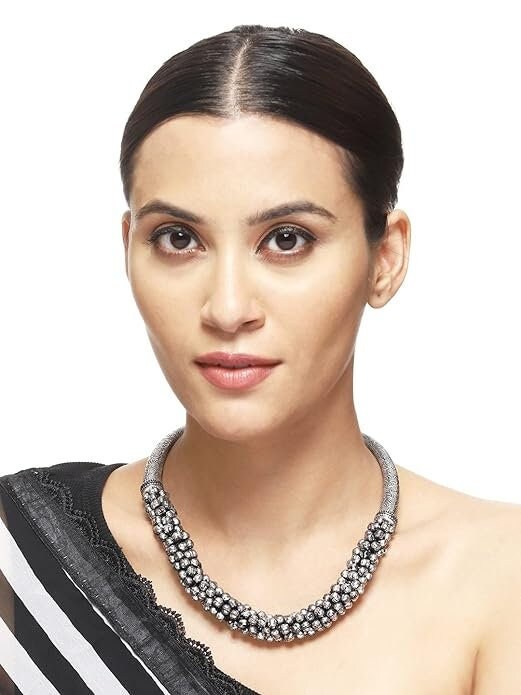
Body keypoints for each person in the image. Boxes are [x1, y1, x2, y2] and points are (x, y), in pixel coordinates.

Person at [1, 23, 519, 695]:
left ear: (385, 257)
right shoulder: (17, 555)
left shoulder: (499, 578)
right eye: (178, 238)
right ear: (128, 247)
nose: (227, 307)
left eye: (286, 239)